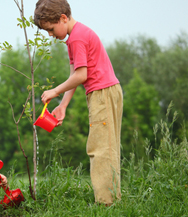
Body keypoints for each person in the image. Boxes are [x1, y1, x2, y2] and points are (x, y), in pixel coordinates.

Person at [34, 0, 123, 206]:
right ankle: (112, 200)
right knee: (107, 146)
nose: (50, 35)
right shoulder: (75, 36)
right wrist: (63, 104)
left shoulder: (77, 39)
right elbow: (75, 74)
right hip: (105, 91)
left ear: (63, 18)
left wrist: (55, 90)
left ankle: (106, 203)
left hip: (102, 93)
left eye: (51, 29)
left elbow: (82, 75)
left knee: (100, 148)